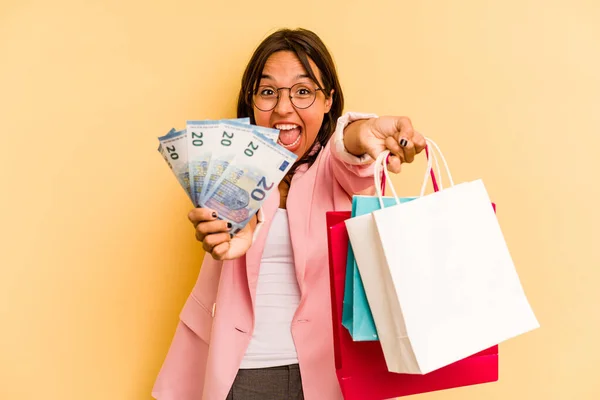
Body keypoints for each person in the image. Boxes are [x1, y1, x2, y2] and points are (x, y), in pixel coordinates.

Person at [152, 28, 426, 400]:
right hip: (241, 373)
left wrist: (365, 132)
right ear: (251, 102)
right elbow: (228, 226)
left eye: (302, 91)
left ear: (328, 101)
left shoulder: (333, 168)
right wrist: (230, 231)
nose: (283, 108)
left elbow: (350, 150)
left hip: (327, 374)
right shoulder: (233, 169)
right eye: (268, 92)